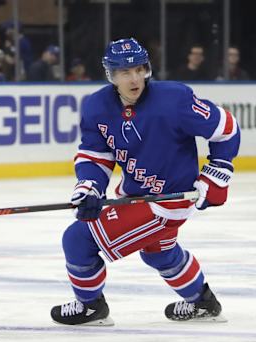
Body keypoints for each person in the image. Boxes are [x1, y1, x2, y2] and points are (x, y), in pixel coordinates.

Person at [50, 38, 240, 326]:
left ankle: (91, 308)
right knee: (159, 254)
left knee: (78, 239)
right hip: (134, 193)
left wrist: (216, 174)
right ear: (111, 75)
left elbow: (227, 129)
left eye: (139, 69)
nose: (135, 78)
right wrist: (88, 187)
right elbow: (96, 155)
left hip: (168, 202)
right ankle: (203, 303)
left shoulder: (174, 100)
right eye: (125, 72)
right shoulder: (97, 106)